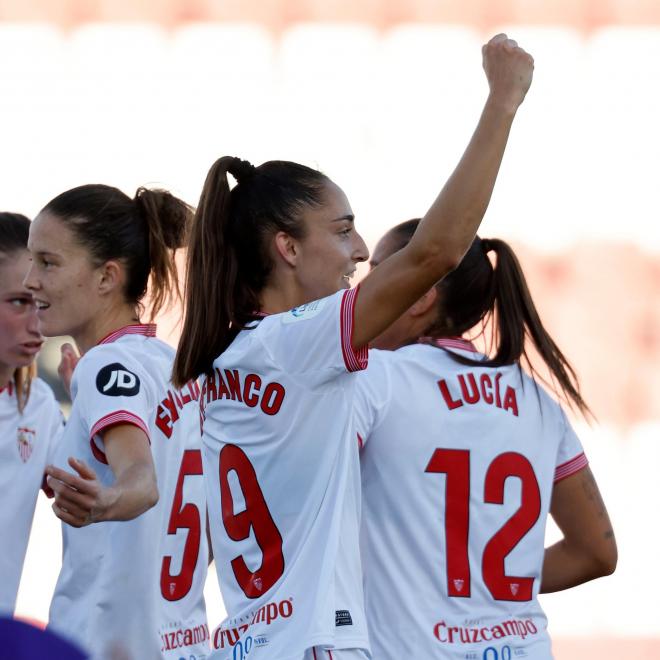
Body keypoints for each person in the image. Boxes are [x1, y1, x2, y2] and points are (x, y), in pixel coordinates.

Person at [173, 34, 534, 660]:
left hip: (246, 643)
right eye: (342, 231)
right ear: (287, 247)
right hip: (317, 646)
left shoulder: (226, 358)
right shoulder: (297, 342)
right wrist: (503, 100)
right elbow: (436, 253)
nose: (361, 250)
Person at [354, 220, 618, 659]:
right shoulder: (538, 401)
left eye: (377, 272)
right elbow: (596, 552)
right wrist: (486, 580)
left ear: (421, 295)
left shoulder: (375, 383)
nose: (361, 292)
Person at [24, 185, 209, 659]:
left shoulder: (103, 370)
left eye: (48, 262)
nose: (30, 280)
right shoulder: (172, 368)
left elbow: (141, 482)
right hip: (183, 644)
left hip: (106, 644)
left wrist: (109, 499)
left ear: (108, 276)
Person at [0, 212, 64, 616]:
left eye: (41, 303)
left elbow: (92, 493)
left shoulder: (38, 405)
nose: (37, 322)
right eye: (19, 302)